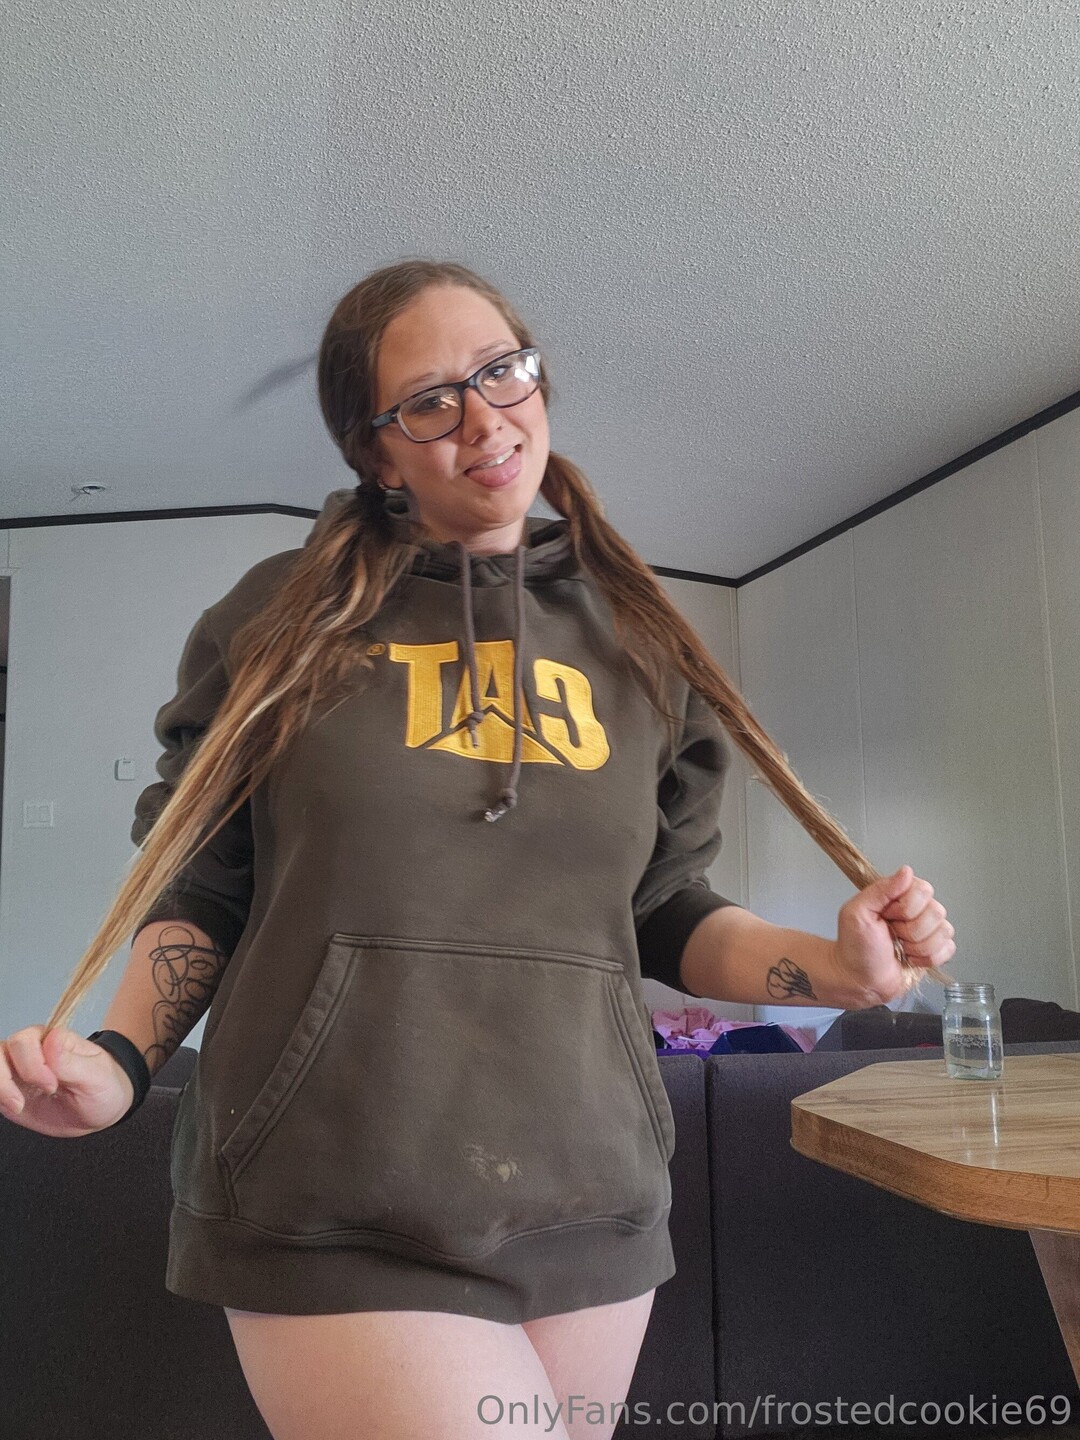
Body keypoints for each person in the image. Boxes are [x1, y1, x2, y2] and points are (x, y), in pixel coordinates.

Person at [0, 259, 955, 1440]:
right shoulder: (276, 619)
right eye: (429, 401)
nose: (484, 417)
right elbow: (206, 884)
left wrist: (837, 970)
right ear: (375, 451)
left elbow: (664, 911)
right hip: (333, 1194)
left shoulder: (643, 641)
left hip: (591, 1190)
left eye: (502, 370)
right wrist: (119, 1061)